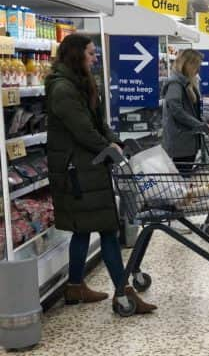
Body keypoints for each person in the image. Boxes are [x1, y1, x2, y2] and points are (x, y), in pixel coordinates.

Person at [46, 34, 155, 314]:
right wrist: (106, 145)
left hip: (88, 166)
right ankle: (123, 294)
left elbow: (97, 122)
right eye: (91, 54)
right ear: (76, 55)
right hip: (78, 171)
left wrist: (114, 140)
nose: (95, 59)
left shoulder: (78, 84)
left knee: (84, 230)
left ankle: (74, 286)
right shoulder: (62, 89)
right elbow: (82, 130)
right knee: (107, 228)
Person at [162, 49, 209, 168]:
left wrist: (201, 123)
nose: (198, 70)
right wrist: (200, 125)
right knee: (182, 177)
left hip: (186, 140)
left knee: (184, 177)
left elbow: (189, 110)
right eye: (197, 66)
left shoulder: (185, 83)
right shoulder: (175, 84)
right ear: (188, 65)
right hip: (180, 142)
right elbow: (177, 110)